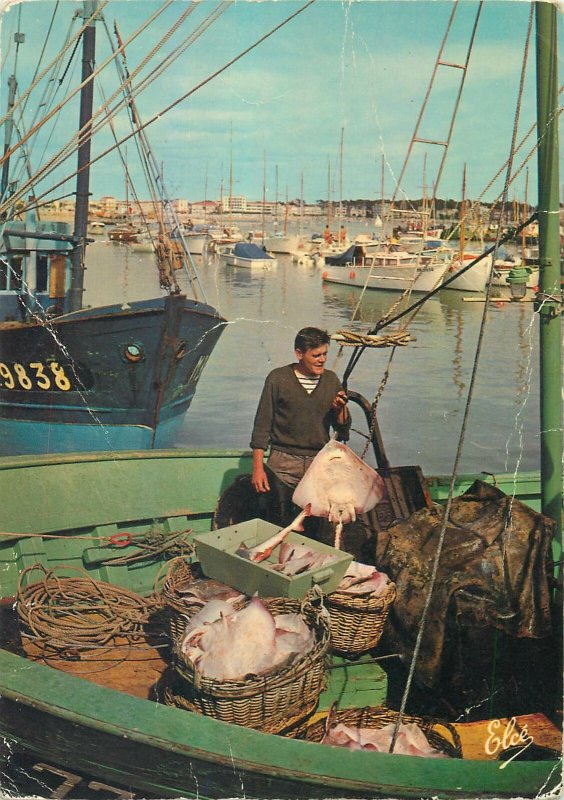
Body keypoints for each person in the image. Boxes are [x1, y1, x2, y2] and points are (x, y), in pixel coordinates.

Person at [250, 327, 351, 524]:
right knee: (279, 522)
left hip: (318, 464)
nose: (322, 359)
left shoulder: (331, 380)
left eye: (324, 354)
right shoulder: (277, 379)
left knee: (315, 526)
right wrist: (257, 468)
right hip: (283, 465)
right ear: (299, 354)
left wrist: (339, 409)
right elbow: (261, 426)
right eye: (316, 355)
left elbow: (343, 428)